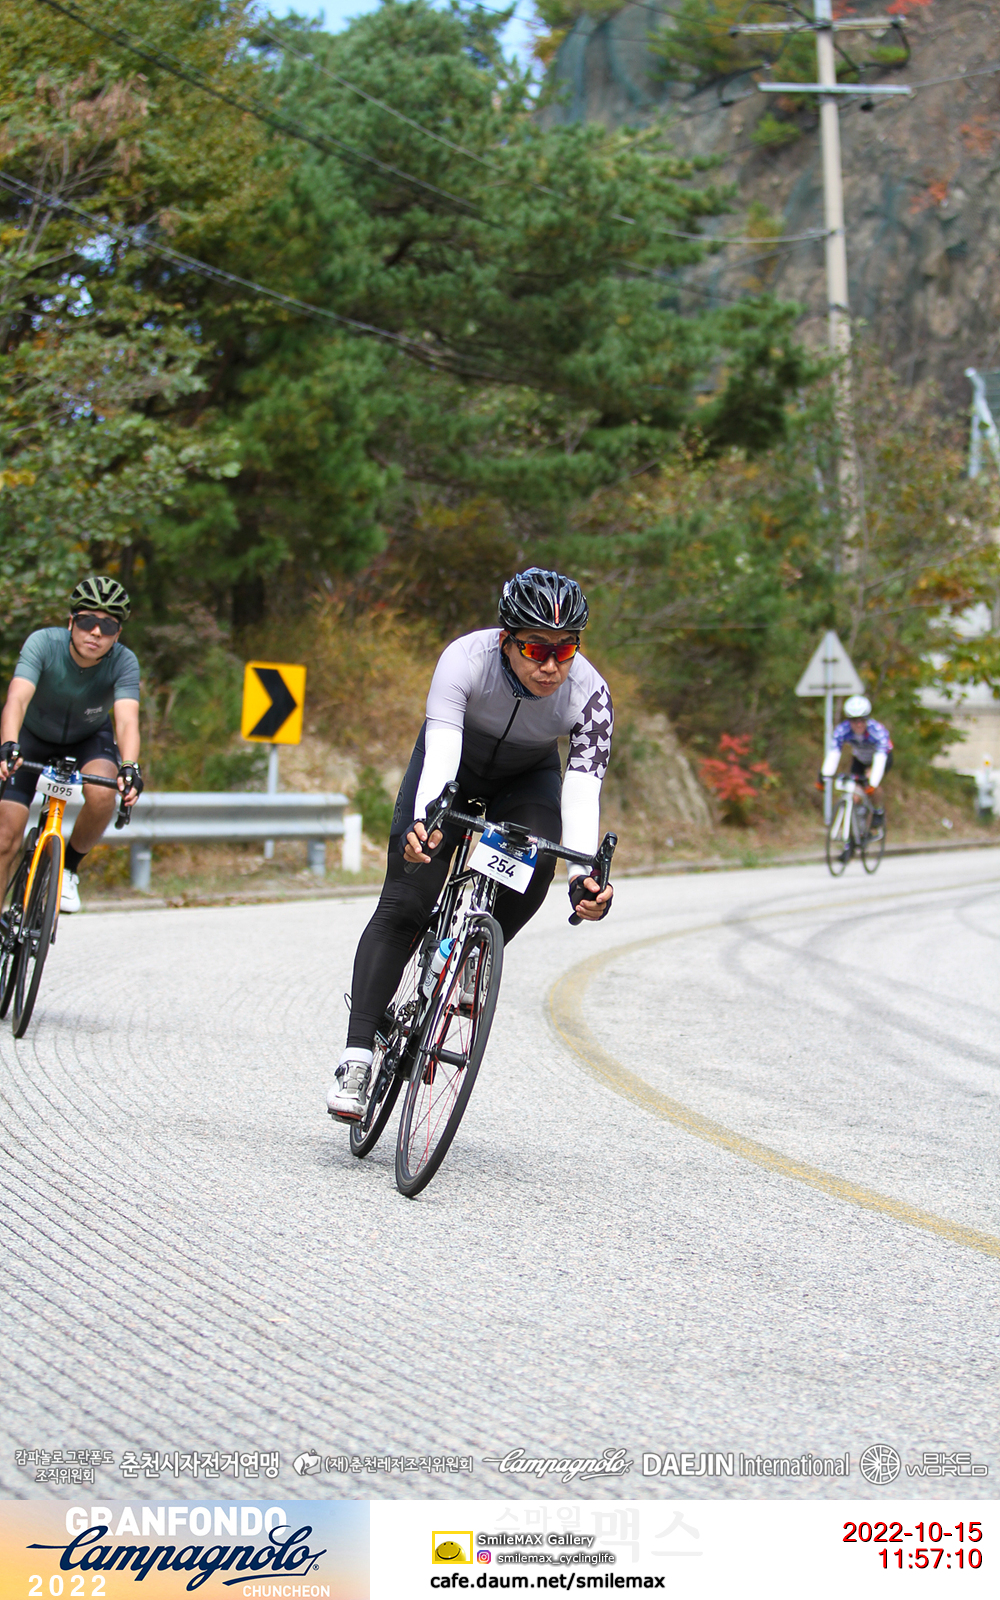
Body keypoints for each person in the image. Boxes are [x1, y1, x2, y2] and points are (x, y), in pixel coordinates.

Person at [328, 567, 615, 1121]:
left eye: (565, 649)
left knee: (538, 861)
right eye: (536, 648)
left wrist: (585, 877)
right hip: (454, 766)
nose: (551, 665)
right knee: (405, 903)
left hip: (525, 781)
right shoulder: (464, 659)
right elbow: (441, 752)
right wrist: (426, 824)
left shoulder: (592, 695)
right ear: (507, 639)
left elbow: (582, 791)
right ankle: (357, 1058)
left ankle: (471, 956)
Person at [0, 577, 143, 913]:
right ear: (71, 623)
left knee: (103, 791)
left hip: (87, 738)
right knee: (5, 837)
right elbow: (17, 699)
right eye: (87, 621)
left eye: (108, 626)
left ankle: (68, 870)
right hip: (31, 736)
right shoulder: (43, 643)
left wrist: (130, 766)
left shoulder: (124, 661)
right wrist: (8, 743)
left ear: (117, 634)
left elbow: (126, 720)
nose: (96, 632)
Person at [820, 694, 893, 829]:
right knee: (855, 793)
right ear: (849, 720)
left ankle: (878, 811)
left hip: (881, 758)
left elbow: (880, 758)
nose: (859, 724)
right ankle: (856, 828)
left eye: (862, 720)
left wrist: (872, 782)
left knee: (871, 782)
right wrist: (824, 774)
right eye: (854, 720)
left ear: (867, 719)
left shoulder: (877, 731)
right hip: (859, 759)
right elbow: (834, 753)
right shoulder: (842, 730)